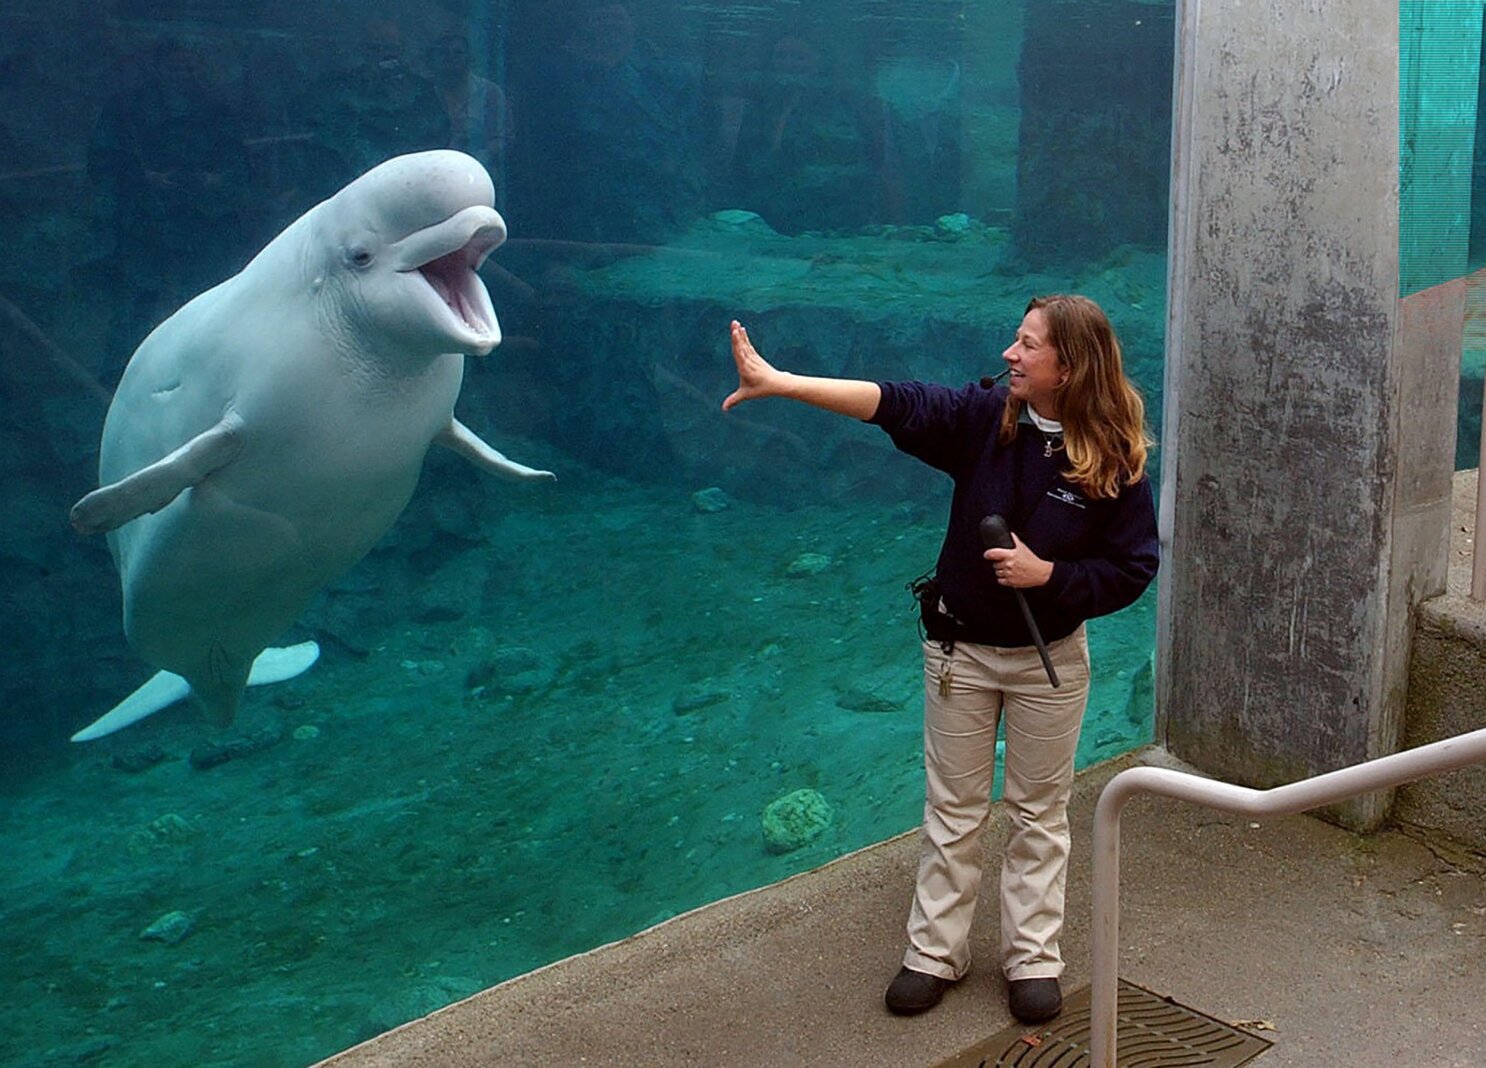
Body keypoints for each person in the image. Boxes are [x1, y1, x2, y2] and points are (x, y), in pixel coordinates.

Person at [722, 295, 1159, 1023]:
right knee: (953, 810)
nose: (1008, 355)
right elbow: (897, 404)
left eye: (1026, 345)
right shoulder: (984, 422)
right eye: (1015, 340)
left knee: (1038, 812)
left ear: (1070, 365)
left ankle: (1033, 957)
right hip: (959, 653)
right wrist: (785, 382)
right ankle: (934, 952)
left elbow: (1132, 567)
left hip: (1049, 660)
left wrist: (1048, 578)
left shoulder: (1114, 460)